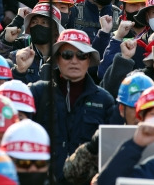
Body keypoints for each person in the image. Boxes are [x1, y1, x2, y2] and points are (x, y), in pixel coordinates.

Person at [29, 29, 114, 182]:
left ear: (89, 60)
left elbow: (110, 151)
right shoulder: (37, 92)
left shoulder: (104, 100)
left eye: (82, 55)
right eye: (67, 55)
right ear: (57, 59)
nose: (74, 61)